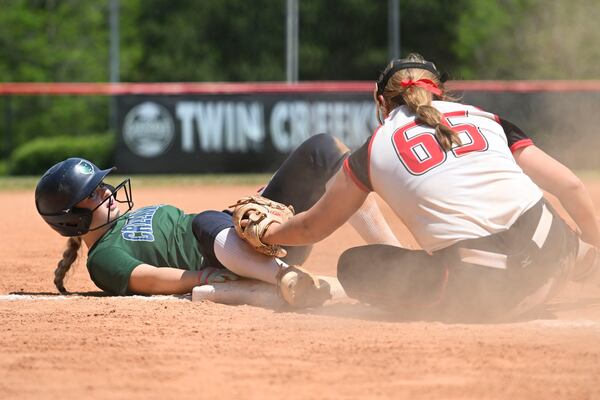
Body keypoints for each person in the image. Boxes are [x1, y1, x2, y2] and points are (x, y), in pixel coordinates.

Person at [252, 53, 600, 321]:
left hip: (488, 298)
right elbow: (570, 185)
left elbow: (313, 227)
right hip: (554, 260)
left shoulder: (373, 148)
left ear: (380, 103)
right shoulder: (486, 119)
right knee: (533, 220)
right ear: (442, 92)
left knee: (354, 266)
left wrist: (266, 232)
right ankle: (586, 259)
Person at [35, 134, 399, 307]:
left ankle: (401, 265)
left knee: (325, 152)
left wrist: (259, 201)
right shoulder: (103, 257)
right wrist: (204, 277)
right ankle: (282, 277)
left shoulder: (125, 221)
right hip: (231, 256)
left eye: (103, 185)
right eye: (94, 193)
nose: (108, 192)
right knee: (205, 220)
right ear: (72, 219)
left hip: (242, 236)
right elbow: (147, 278)